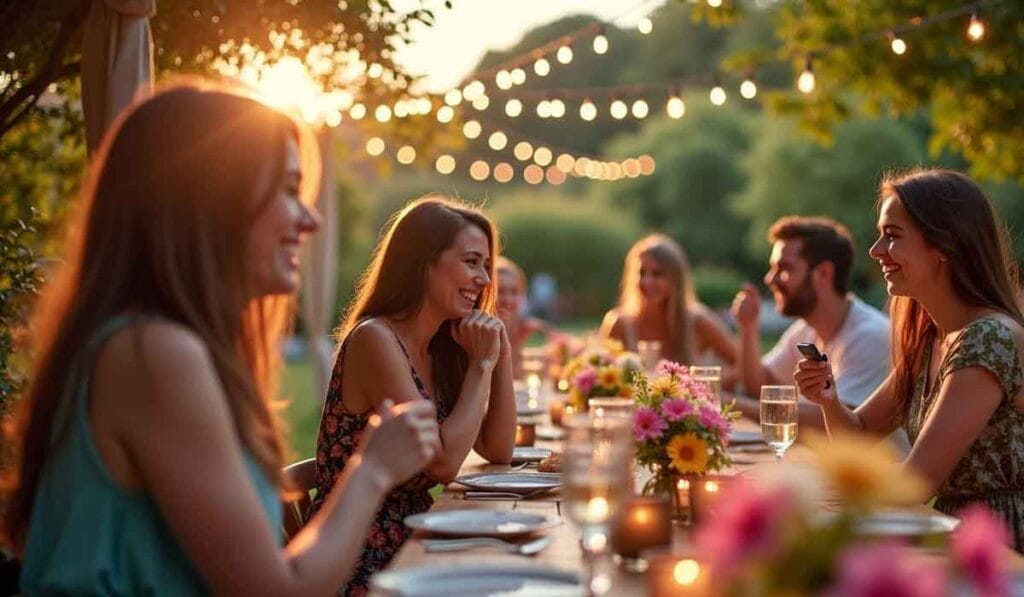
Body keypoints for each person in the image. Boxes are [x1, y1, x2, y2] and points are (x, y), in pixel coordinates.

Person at [2, 81, 441, 595]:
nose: (310, 218)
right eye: (285, 189)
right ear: (206, 199)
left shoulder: (151, 343)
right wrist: (371, 468)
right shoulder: (154, 353)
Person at [796, 168, 1024, 551]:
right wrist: (828, 400)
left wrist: (815, 492)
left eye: (892, 236)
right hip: (952, 533)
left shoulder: (989, 338)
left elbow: (918, 482)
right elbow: (858, 431)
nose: (876, 250)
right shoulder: (931, 339)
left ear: (943, 248)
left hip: (1001, 547)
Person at [309, 196, 516, 595]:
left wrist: (498, 351)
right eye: (471, 262)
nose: (485, 281)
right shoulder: (375, 339)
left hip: (418, 535)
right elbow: (440, 464)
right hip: (362, 550)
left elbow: (498, 449)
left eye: (486, 266)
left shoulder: (443, 345)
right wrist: (481, 366)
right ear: (424, 263)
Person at [730, 217, 890, 430]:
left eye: (784, 268)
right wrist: (748, 328)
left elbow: (836, 425)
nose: (770, 279)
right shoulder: (804, 330)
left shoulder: (871, 336)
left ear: (823, 273)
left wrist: (730, 404)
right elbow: (759, 388)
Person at [600, 234, 737, 366]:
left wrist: (706, 382)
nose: (647, 281)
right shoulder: (620, 324)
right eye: (642, 273)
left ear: (675, 279)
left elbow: (741, 366)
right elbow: (599, 372)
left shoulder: (696, 321)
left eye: (657, 274)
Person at [496, 256, 552, 379]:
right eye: (500, 291)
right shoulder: (480, 333)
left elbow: (515, 379)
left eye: (514, 292)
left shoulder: (514, 330)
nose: (508, 300)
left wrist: (516, 342)